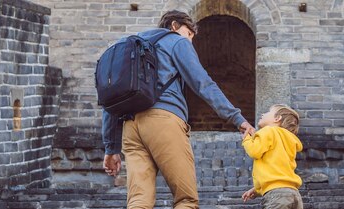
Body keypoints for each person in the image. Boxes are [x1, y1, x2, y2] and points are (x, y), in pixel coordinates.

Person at [101, 10, 256, 209]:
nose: (190, 41)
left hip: (131, 128)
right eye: (189, 34)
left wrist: (111, 148)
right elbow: (203, 83)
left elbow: (111, 97)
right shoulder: (176, 41)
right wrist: (237, 118)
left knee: (139, 201)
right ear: (174, 25)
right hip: (163, 122)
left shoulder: (126, 45)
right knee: (186, 199)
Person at [241, 104, 304, 209]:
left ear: (277, 118)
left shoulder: (269, 130)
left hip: (277, 195)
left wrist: (246, 139)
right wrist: (257, 189)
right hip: (294, 194)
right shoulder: (290, 140)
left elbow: (254, 151)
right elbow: (276, 172)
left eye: (267, 112)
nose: (262, 114)